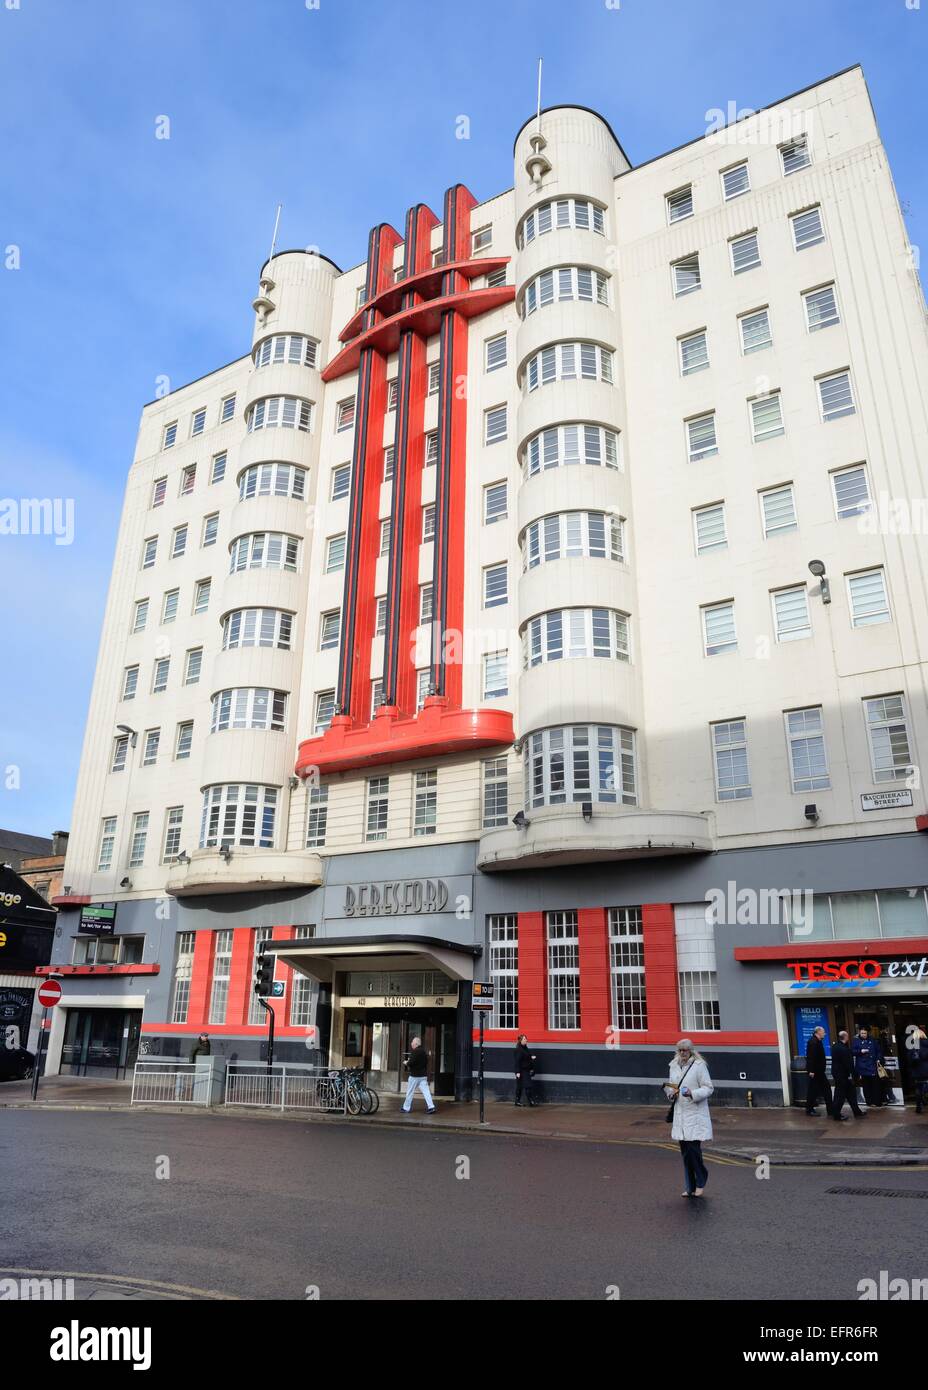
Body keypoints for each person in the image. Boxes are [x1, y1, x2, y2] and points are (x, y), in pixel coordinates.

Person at [664, 1039, 714, 1198]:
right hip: (680, 1115)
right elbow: (671, 1085)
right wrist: (670, 1093)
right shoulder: (673, 1065)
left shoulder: (699, 1066)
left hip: (695, 1114)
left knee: (694, 1152)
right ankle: (690, 1187)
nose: (682, 1053)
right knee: (685, 1154)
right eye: (680, 1050)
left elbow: (708, 1087)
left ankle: (700, 1181)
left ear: (691, 1051)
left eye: (685, 1050)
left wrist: (693, 1093)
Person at [830, 1030, 863, 1121]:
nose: (848, 1038)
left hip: (838, 1074)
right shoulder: (844, 1049)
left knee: (851, 1094)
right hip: (843, 1076)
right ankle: (836, 1115)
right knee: (840, 1096)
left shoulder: (835, 1046)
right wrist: (855, 1075)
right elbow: (848, 1064)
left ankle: (857, 1111)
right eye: (847, 1036)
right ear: (845, 1037)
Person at [402, 1036, 436, 1115]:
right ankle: (431, 1107)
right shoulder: (423, 1052)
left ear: (416, 1044)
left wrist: (406, 1062)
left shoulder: (415, 1052)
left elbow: (411, 1063)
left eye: (412, 1042)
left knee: (410, 1092)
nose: (411, 1043)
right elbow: (425, 1062)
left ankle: (406, 1108)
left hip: (414, 1076)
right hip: (423, 1076)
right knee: (426, 1092)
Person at [852, 1028, 884, 1108]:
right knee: (866, 1086)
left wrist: (878, 1059)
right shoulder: (856, 1041)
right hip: (863, 1067)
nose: (863, 1035)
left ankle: (877, 1101)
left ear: (867, 1033)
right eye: (862, 1033)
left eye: (865, 1033)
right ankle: (869, 1102)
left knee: (876, 1085)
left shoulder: (873, 1041)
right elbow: (852, 1052)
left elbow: (878, 1051)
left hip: (873, 1066)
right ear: (859, 1033)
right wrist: (860, 1051)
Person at [804, 1026, 832, 1116]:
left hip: (819, 1071)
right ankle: (809, 1109)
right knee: (814, 1090)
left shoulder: (818, 1041)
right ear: (818, 1032)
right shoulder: (813, 1042)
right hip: (815, 1072)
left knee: (824, 1089)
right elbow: (811, 1057)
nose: (825, 1033)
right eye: (823, 1032)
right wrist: (811, 1071)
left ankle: (830, 1109)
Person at [514, 1034, 537, 1106]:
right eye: (524, 1039)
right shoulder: (518, 1049)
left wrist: (531, 1057)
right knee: (527, 1085)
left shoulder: (525, 1048)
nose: (526, 1040)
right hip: (521, 1070)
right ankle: (530, 1101)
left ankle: (518, 1101)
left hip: (526, 1070)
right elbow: (517, 1061)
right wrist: (517, 1072)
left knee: (520, 1086)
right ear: (520, 1040)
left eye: (526, 1039)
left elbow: (526, 1057)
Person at [910, 1025, 928, 1114]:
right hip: (926, 1069)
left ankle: (918, 1106)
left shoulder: (912, 1045)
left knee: (918, 1088)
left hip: (917, 1070)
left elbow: (909, 1059)